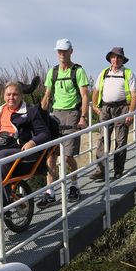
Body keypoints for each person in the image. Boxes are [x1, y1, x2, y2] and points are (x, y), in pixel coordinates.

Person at [0, 81, 50, 214]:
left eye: (15, 94)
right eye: (8, 94)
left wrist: (32, 142)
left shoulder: (30, 111)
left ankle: (4, 204)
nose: (11, 97)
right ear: (3, 96)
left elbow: (44, 133)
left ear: (21, 96)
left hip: (18, 147)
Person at [37, 39, 90, 209]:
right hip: (55, 114)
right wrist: (41, 110)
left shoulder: (78, 71)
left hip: (73, 113)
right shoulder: (52, 72)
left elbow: (85, 96)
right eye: (59, 51)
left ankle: (74, 185)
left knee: (68, 156)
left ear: (71, 52)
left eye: (64, 51)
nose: (61, 54)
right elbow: (47, 94)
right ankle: (50, 192)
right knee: (51, 155)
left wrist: (83, 117)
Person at [90, 47, 136, 181]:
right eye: (113, 57)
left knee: (120, 141)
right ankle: (100, 171)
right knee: (102, 139)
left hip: (122, 108)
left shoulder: (128, 73)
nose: (115, 59)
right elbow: (95, 90)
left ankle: (118, 170)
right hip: (105, 109)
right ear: (110, 59)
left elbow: (135, 95)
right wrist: (95, 106)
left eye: (118, 57)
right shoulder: (104, 73)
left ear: (123, 60)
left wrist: (130, 113)